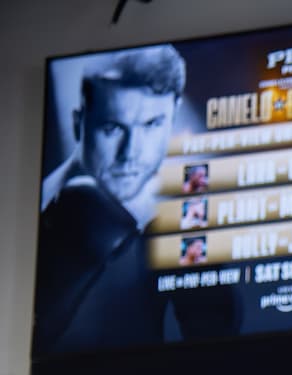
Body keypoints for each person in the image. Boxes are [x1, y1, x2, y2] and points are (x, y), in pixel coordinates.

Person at [35, 45, 236, 354]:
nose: (131, 153)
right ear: (79, 122)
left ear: (172, 116)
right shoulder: (39, 209)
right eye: (112, 127)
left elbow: (221, 348)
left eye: (152, 125)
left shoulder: (182, 210)